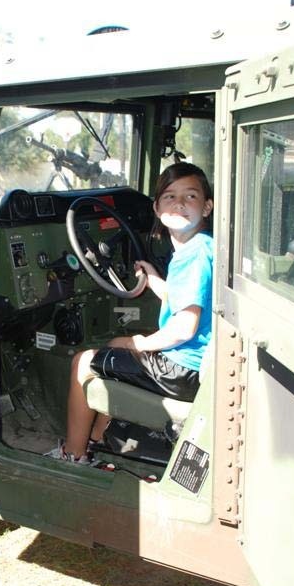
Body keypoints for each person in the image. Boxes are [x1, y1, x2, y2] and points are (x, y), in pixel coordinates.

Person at [47, 162, 214, 464]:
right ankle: (97, 442)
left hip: (182, 369)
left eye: (190, 196)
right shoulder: (202, 247)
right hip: (193, 364)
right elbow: (186, 300)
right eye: (170, 197)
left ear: (207, 207)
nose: (179, 203)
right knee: (114, 347)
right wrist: (155, 282)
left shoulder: (195, 255)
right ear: (157, 208)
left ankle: (72, 454)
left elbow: (185, 327)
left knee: (82, 362)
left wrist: (138, 343)